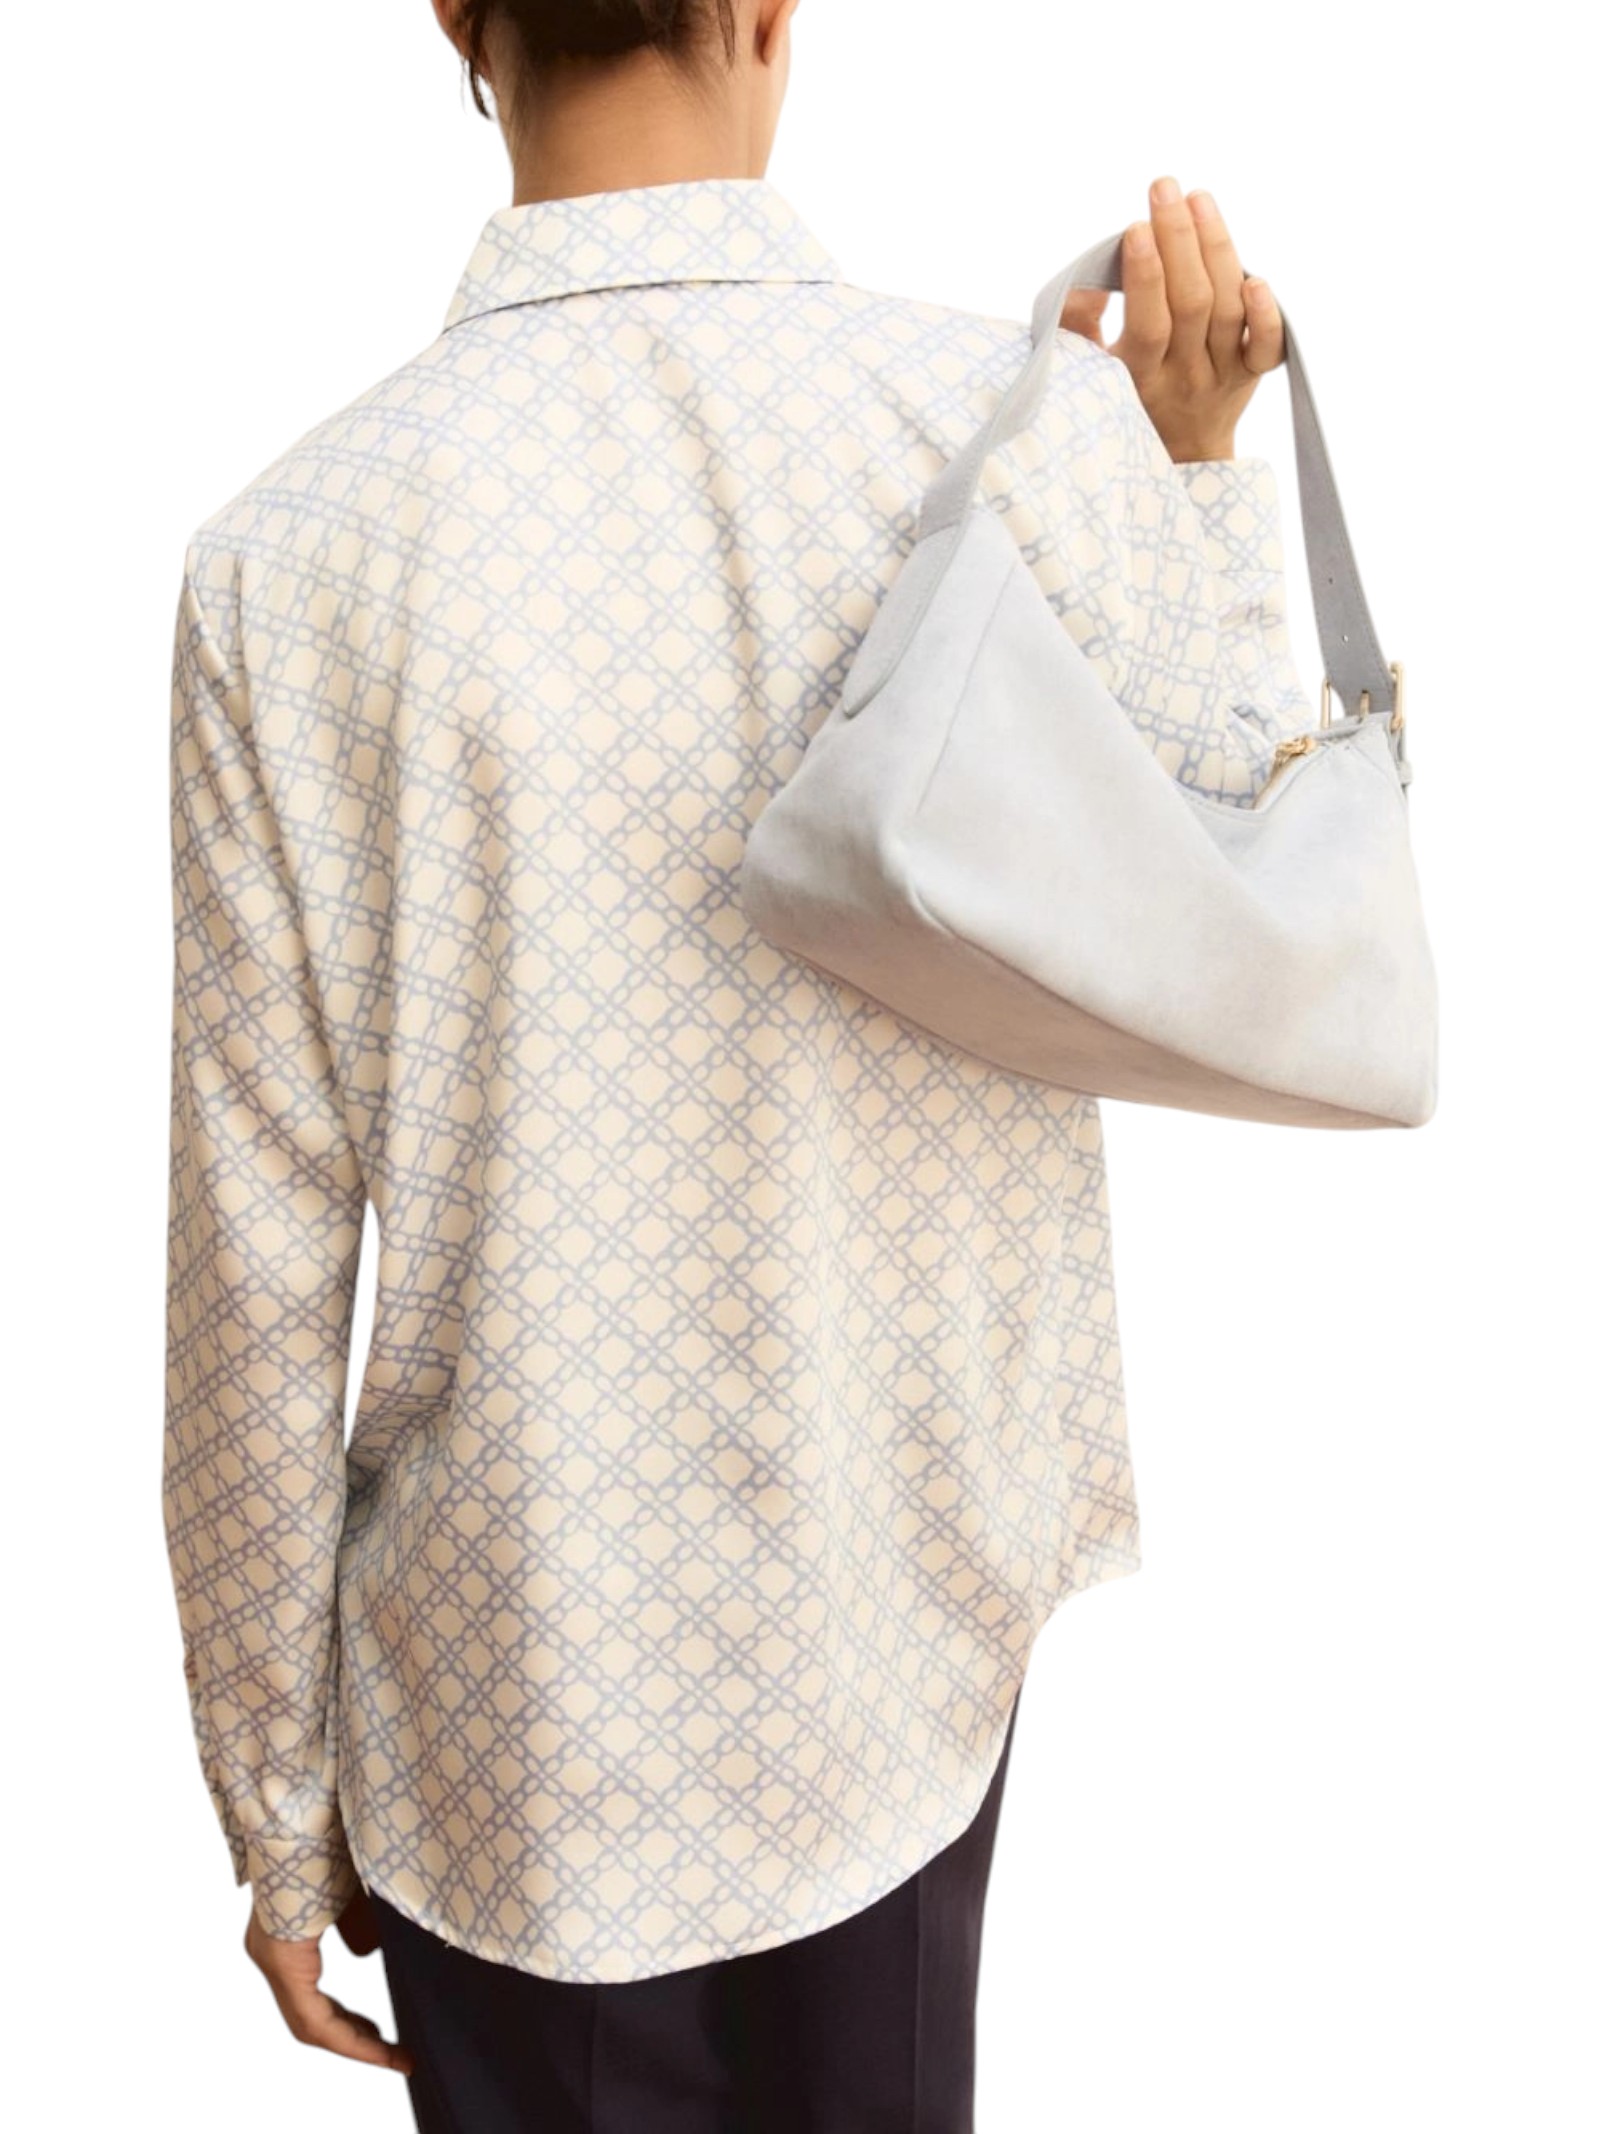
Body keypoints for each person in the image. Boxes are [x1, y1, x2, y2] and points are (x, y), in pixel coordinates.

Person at [160, 0, 1308, 2126]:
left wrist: (277, 1801)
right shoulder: (1002, 435)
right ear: (771, 8)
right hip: (898, 1626)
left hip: (508, 1692)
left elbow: (257, 1248)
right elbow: (1239, 890)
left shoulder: (283, 560)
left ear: (455, 19)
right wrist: (1194, 479)